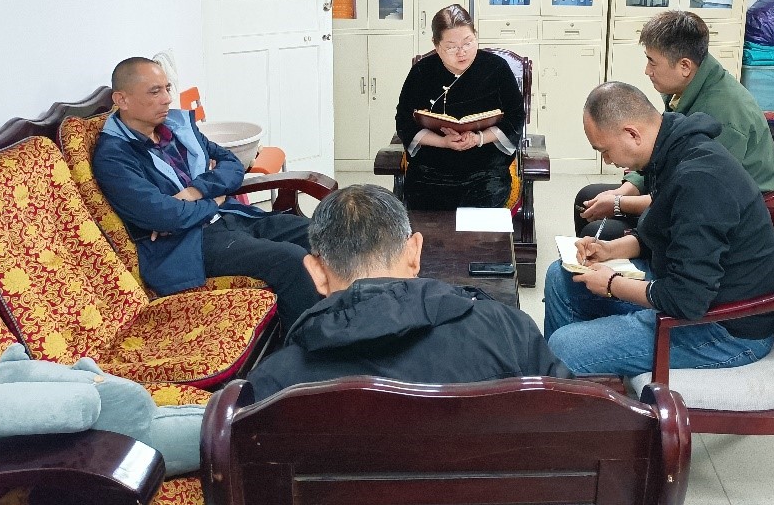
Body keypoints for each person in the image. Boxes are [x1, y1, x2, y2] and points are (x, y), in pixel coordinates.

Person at [545, 81, 774, 377]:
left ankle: (577, 378)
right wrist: (608, 250)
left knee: (565, 347)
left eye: (605, 150)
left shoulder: (699, 180)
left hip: (725, 327)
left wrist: (612, 284)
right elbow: (660, 233)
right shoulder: (670, 149)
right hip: (689, 288)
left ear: (632, 134)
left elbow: (686, 299)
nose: (607, 160)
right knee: (561, 276)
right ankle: (580, 382)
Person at [247, 184, 570, 399]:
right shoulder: (508, 331)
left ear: (317, 272)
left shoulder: (274, 385)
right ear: (414, 252)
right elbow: (574, 420)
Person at [93, 57, 320, 328]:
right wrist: (215, 200)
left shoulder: (176, 129)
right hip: (188, 244)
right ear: (122, 99)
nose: (167, 99)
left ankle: (346, 323)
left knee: (320, 235)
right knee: (291, 260)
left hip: (230, 216)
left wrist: (196, 191)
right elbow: (166, 217)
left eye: (167, 88)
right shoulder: (114, 156)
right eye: (155, 92)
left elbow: (232, 164)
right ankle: (308, 345)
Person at [574, 10, 774, 239]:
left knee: (602, 233)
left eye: (652, 62)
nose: (647, 71)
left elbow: (697, 196)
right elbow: (660, 150)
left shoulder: (723, 116)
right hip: (685, 186)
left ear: (684, 66)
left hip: (725, 214)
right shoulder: (686, 89)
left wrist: (618, 204)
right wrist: (624, 190)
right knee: (588, 196)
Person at [394, 4, 525, 211]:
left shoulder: (497, 68)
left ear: (476, 36)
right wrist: (442, 141)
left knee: (478, 224)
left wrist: (478, 138)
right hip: (431, 170)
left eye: (468, 43)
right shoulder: (421, 72)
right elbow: (404, 121)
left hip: (485, 171)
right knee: (429, 222)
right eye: (451, 47)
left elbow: (516, 116)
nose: (462, 52)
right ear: (436, 45)